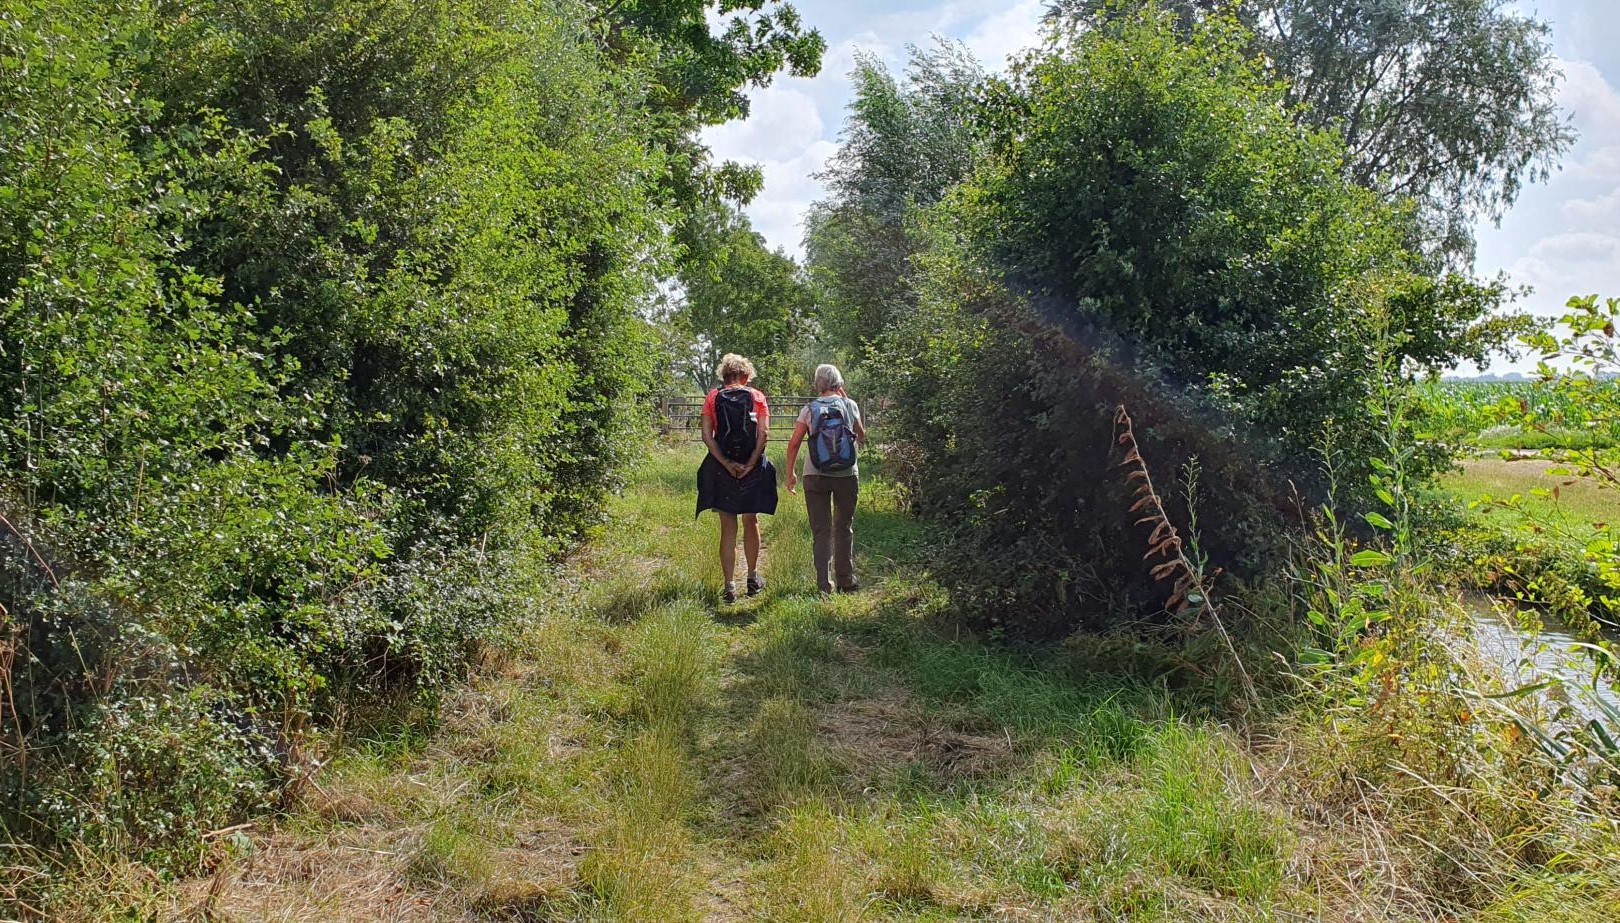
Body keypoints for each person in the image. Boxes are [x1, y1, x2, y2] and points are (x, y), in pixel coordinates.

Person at [696, 353, 777, 604]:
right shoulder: (757, 397)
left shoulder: (713, 397)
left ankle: (729, 586)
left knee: (727, 526)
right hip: (752, 468)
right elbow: (763, 433)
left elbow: (707, 436)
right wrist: (751, 463)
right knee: (750, 520)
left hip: (722, 469)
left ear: (724, 375)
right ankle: (752, 578)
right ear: (746, 375)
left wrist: (726, 463)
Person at [785, 364, 867, 595]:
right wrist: (848, 403)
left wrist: (790, 473)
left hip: (815, 475)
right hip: (846, 475)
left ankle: (824, 585)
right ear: (840, 384)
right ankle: (846, 580)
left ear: (817, 384)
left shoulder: (809, 409)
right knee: (843, 526)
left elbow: (794, 443)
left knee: (821, 531)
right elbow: (860, 436)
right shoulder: (850, 405)